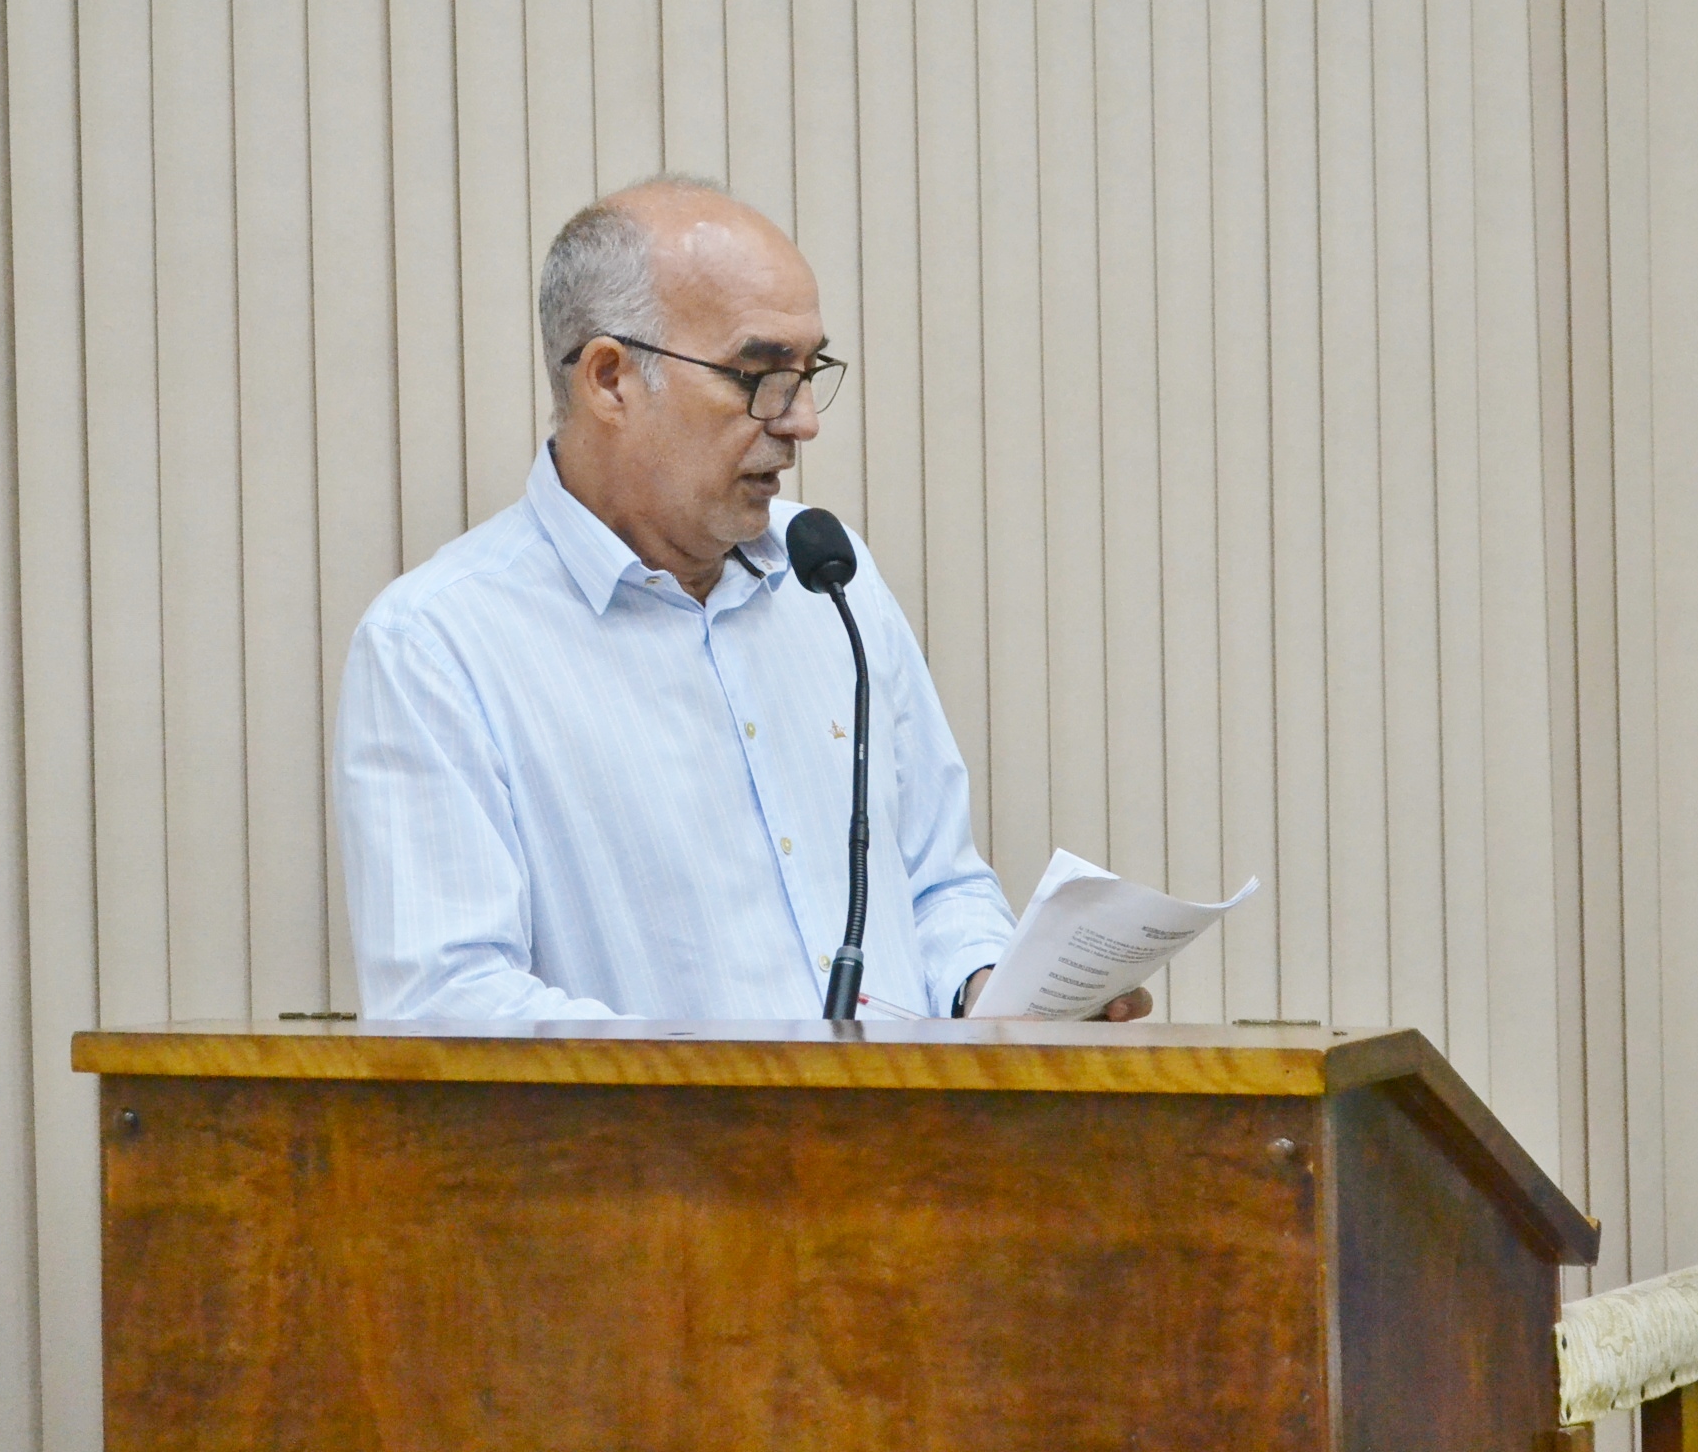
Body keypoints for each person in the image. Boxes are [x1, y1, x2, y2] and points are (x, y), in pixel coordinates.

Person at [332, 175, 1152, 1023]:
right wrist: (742, 1079)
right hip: (663, 1119)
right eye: (759, 374)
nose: (802, 421)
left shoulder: (830, 579)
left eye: (809, 371)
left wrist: (992, 988)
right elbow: (449, 1005)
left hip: (906, 1112)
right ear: (610, 379)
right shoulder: (438, 644)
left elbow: (937, 885)